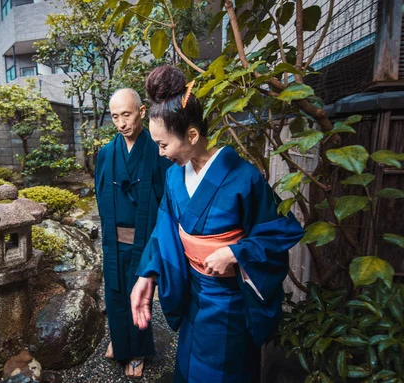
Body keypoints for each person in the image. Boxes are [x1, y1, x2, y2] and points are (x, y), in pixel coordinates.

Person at [130, 65, 304, 382]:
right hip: (193, 298)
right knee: (187, 369)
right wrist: (148, 274)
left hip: (230, 305)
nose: (160, 153)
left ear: (192, 135)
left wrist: (237, 253)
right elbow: (164, 232)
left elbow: (280, 230)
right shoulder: (173, 177)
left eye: (163, 144)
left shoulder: (243, 178)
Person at [94, 88, 172, 378]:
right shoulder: (106, 153)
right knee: (114, 292)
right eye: (115, 117)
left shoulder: (157, 149)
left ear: (141, 112)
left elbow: (166, 195)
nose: (121, 123)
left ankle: (136, 351)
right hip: (114, 238)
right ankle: (121, 340)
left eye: (126, 114)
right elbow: (100, 193)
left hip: (144, 237)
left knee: (139, 294)